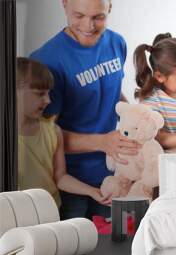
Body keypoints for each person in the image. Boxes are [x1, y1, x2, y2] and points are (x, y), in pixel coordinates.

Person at [30, 0, 140, 219]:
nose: (89, 26)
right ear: (64, 4)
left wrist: (135, 119)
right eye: (79, 16)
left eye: (98, 17)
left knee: (119, 247)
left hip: (114, 175)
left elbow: (111, 91)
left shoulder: (117, 43)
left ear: (110, 7)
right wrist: (102, 142)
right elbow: (45, 135)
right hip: (70, 184)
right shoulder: (46, 61)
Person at [17, 57, 110, 209]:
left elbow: (60, 177)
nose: (47, 100)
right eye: (40, 93)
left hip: (50, 212)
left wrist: (93, 191)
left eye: (48, 93)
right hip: (15, 214)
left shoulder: (53, 131)